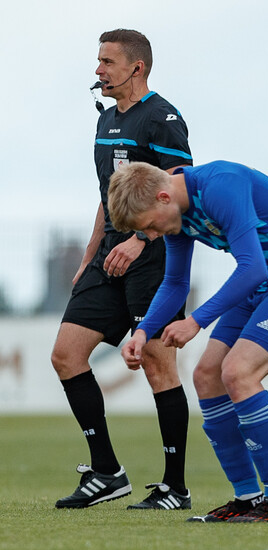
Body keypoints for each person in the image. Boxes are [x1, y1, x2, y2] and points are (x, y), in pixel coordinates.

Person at [108, 160, 268, 522]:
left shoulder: (221, 185)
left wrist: (197, 321)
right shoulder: (175, 212)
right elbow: (175, 284)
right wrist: (143, 332)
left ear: (163, 195)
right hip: (264, 285)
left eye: (151, 226)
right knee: (207, 375)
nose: (153, 235)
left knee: (237, 371)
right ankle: (247, 499)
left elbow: (252, 266)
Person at [53, 29, 193, 511]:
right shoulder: (106, 120)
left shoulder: (164, 119)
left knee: (156, 361)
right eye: (98, 61)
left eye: (107, 62)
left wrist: (140, 239)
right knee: (66, 354)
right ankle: (107, 471)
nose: (98, 70)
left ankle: (175, 486)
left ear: (137, 67)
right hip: (109, 256)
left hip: (153, 256)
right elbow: (107, 196)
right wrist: (92, 253)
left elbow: (178, 190)